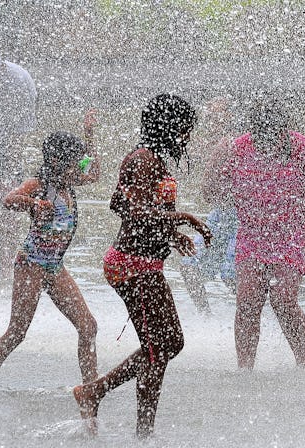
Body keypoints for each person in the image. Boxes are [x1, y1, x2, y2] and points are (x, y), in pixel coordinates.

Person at [72, 94, 211, 438]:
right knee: (159, 347)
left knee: (166, 345)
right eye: (184, 130)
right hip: (133, 266)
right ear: (170, 127)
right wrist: (184, 218)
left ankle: (137, 428)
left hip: (146, 263)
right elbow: (125, 208)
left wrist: (172, 234)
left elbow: (142, 210)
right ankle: (101, 399)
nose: (187, 138)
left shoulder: (153, 159)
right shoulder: (142, 159)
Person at [204, 98, 305, 371]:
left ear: (285, 131)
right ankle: (244, 369)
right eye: (263, 140)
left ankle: (304, 363)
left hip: (292, 236)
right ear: (255, 133)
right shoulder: (237, 149)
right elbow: (210, 195)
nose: (269, 147)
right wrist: (215, 159)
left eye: (275, 139)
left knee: (283, 300)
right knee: (248, 301)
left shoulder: (301, 147)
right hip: (252, 235)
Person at [0, 111, 100, 390]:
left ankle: (91, 391)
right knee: (17, 332)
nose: (78, 169)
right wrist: (34, 205)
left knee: (88, 327)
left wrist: (90, 135)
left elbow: (94, 172)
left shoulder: (69, 182)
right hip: (30, 264)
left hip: (55, 266)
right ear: (57, 162)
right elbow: (10, 199)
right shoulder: (39, 186)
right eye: (73, 163)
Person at [0, 48, 37, 281]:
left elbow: (18, 136)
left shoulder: (16, 81)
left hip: (5, 136)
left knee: (6, 198)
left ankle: (7, 269)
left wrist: (5, 172)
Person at [179, 97, 238, 315]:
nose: (213, 120)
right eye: (211, 115)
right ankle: (206, 316)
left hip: (246, 218)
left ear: (230, 117)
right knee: (189, 264)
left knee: (232, 276)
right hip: (221, 214)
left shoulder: (237, 142)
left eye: (218, 115)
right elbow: (206, 192)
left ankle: (252, 317)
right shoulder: (209, 144)